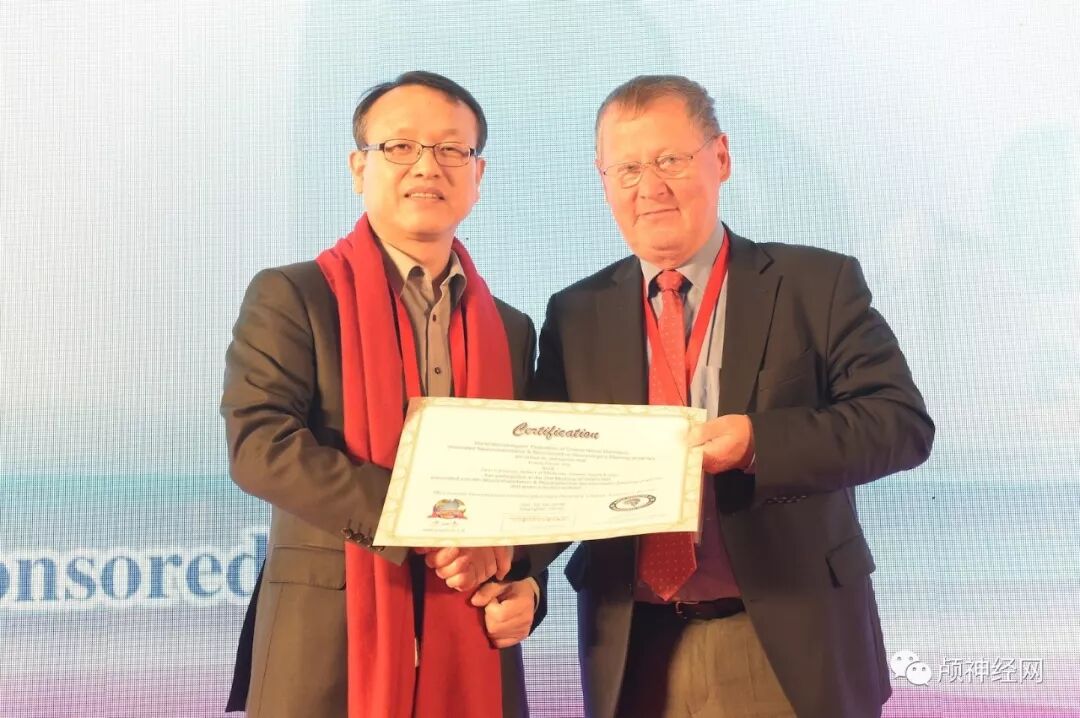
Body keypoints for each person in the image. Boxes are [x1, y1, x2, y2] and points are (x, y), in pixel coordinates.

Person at [530, 75, 935, 718]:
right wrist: (514, 573)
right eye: (627, 168)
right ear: (603, 180)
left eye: (670, 159)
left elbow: (900, 423)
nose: (650, 187)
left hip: (786, 638)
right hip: (632, 646)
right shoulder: (574, 313)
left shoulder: (815, 283)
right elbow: (548, 472)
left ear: (720, 158)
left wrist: (757, 444)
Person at [222, 71, 546, 718]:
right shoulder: (294, 296)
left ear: (477, 176)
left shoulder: (511, 329)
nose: (427, 166)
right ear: (358, 168)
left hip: (473, 644)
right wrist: (423, 519)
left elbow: (522, 483)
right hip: (326, 652)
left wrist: (528, 586)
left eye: (451, 149)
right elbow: (260, 446)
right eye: (400, 147)